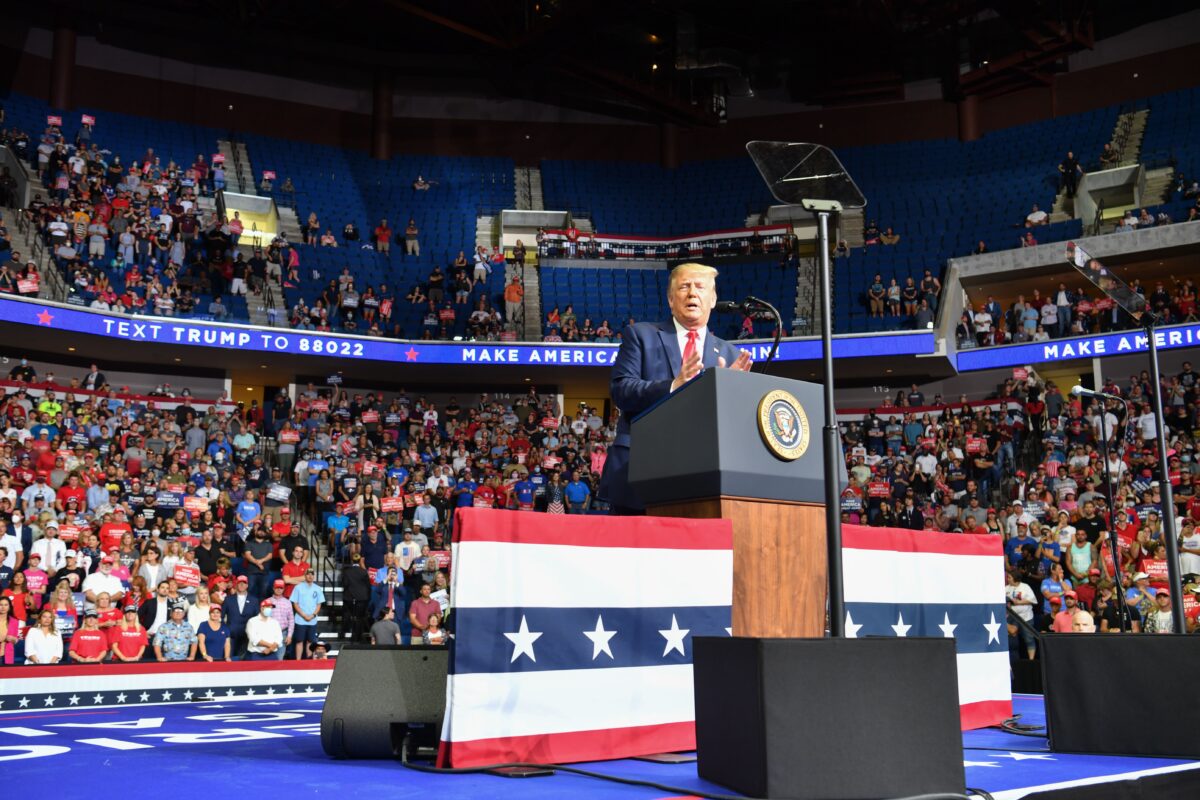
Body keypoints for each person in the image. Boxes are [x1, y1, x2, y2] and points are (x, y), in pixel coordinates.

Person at [600, 263, 752, 514]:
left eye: (700, 287)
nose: (693, 293)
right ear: (671, 300)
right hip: (641, 473)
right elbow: (621, 390)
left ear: (713, 299)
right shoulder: (640, 335)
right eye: (684, 287)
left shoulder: (730, 354)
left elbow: (734, 425)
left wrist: (730, 393)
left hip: (704, 478)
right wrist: (674, 385)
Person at [291, 568, 324, 659]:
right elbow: (295, 603)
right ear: (305, 576)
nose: (310, 576)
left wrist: (313, 615)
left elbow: (319, 604)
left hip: (312, 620)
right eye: (308, 574)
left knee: (310, 641)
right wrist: (304, 615)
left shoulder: (317, 588)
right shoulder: (298, 587)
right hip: (300, 620)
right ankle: (298, 661)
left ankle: (308, 662)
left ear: (314, 576)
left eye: (312, 574)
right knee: (299, 641)